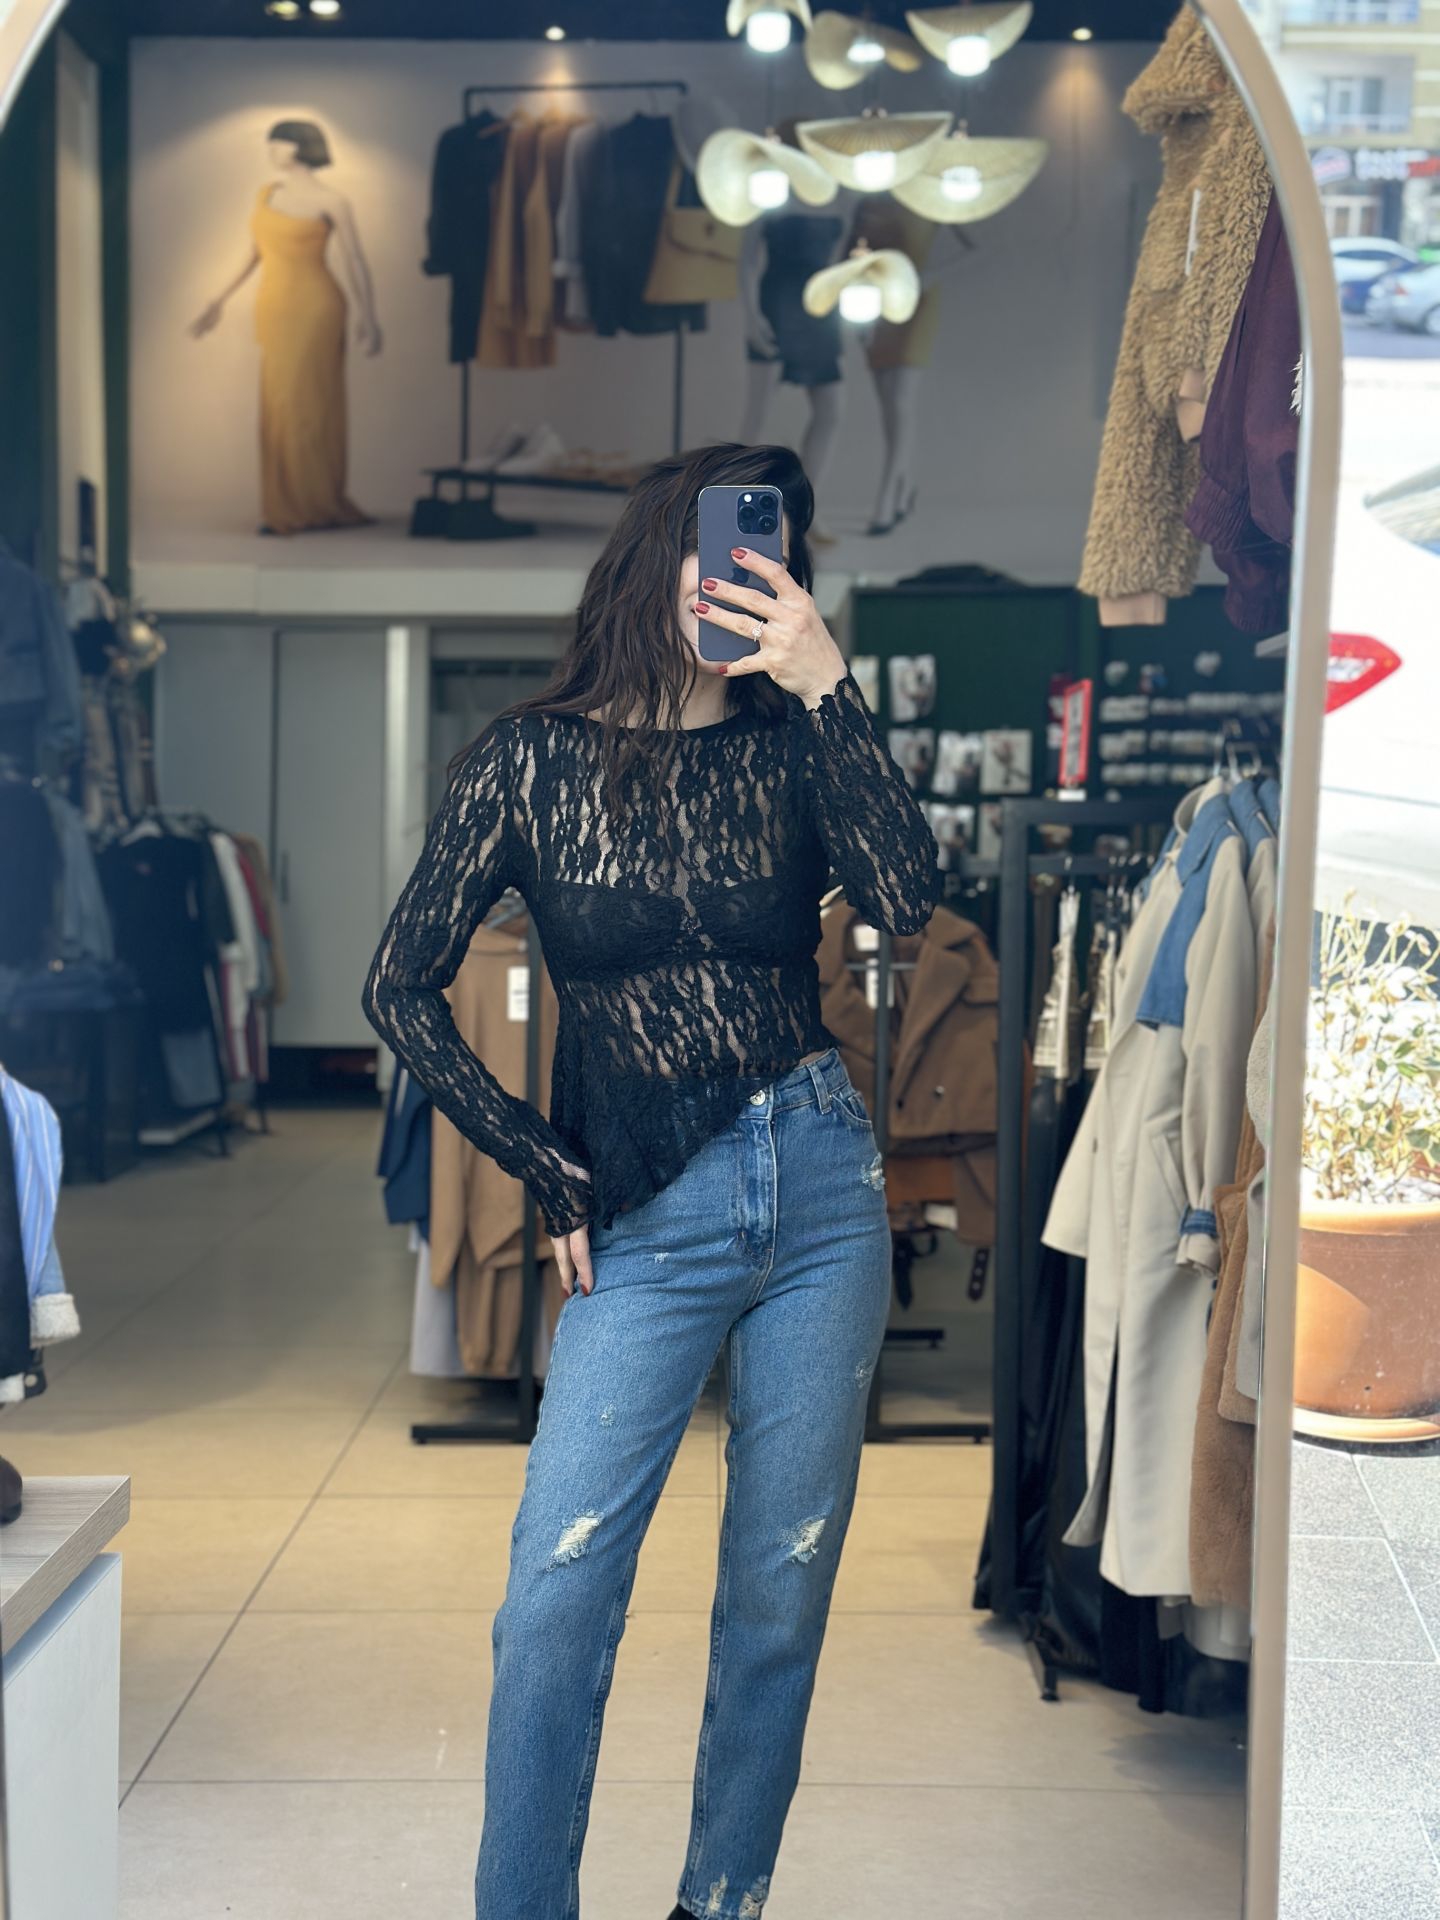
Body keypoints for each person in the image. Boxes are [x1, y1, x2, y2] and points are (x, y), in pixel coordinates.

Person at [362, 441, 940, 1920]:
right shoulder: (528, 760)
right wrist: (541, 1163)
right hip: (646, 1217)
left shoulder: (795, 744)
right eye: (720, 546)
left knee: (778, 1595)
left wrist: (828, 684)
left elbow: (905, 897)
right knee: (553, 1602)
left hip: (822, 1194)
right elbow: (400, 987)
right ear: (651, 557)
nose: (744, 577)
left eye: (771, 554)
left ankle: (718, 1903)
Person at [188, 119, 380, 535]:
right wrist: (217, 300)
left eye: (277, 144)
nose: (271, 152)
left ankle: (313, 504)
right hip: (275, 308)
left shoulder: (333, 201)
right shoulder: (267, 194)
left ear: (298, 148)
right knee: (279, 406)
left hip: (316, 308)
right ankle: (285, 504)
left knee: (310, 407)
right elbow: (254, 253)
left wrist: (369, 316)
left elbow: (355, 259)